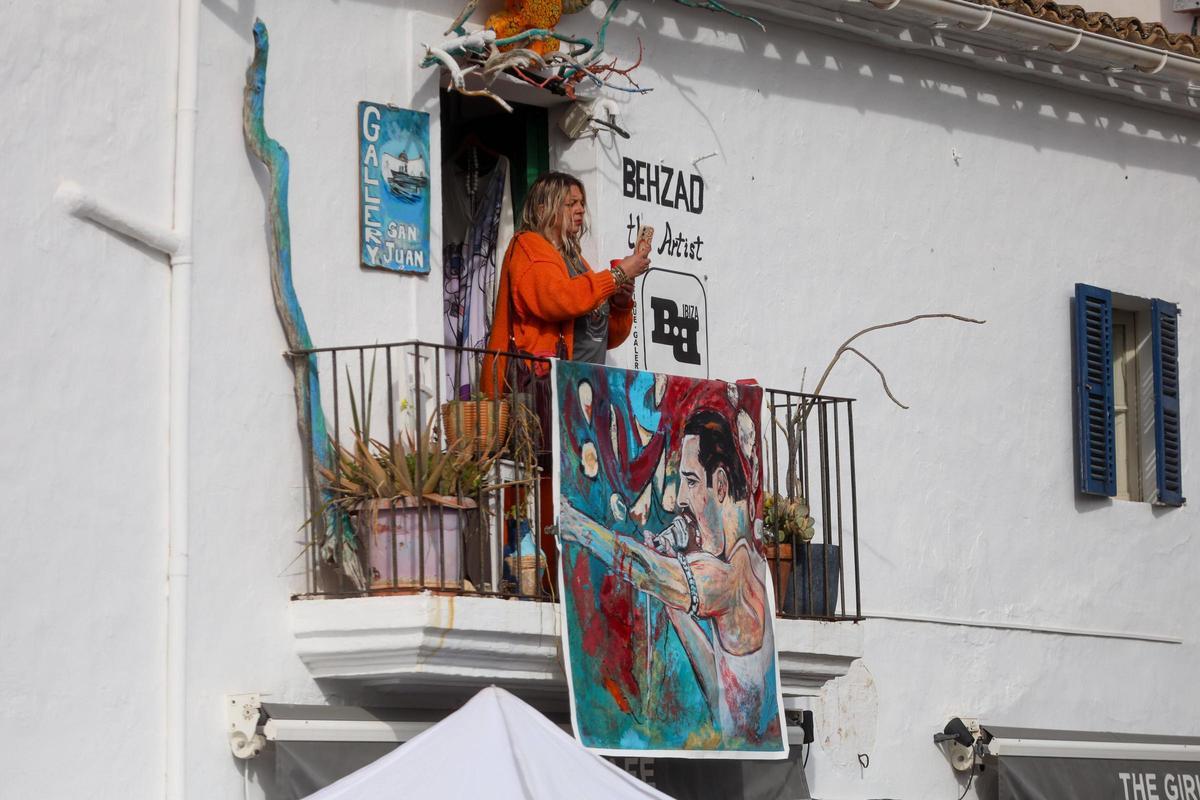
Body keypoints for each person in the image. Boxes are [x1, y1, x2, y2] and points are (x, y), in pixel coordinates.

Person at [558, 409, 778, 745]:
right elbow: (722, 689)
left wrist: (576, 526)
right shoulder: (747, 558)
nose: (680, 500)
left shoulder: (726, 580)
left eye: (691, 481)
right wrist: (671, 595)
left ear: (719, 483)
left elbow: (644, 570)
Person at [481, 172, 651, 392]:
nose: (580, 209)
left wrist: (620, 302)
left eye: (581, 203)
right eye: (571, 203)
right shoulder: (528, 246)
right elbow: (557, 299)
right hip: (542, 387)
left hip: (583, 390)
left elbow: (603, 337)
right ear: (543, 209)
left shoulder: (576, 261)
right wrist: (617, 275)